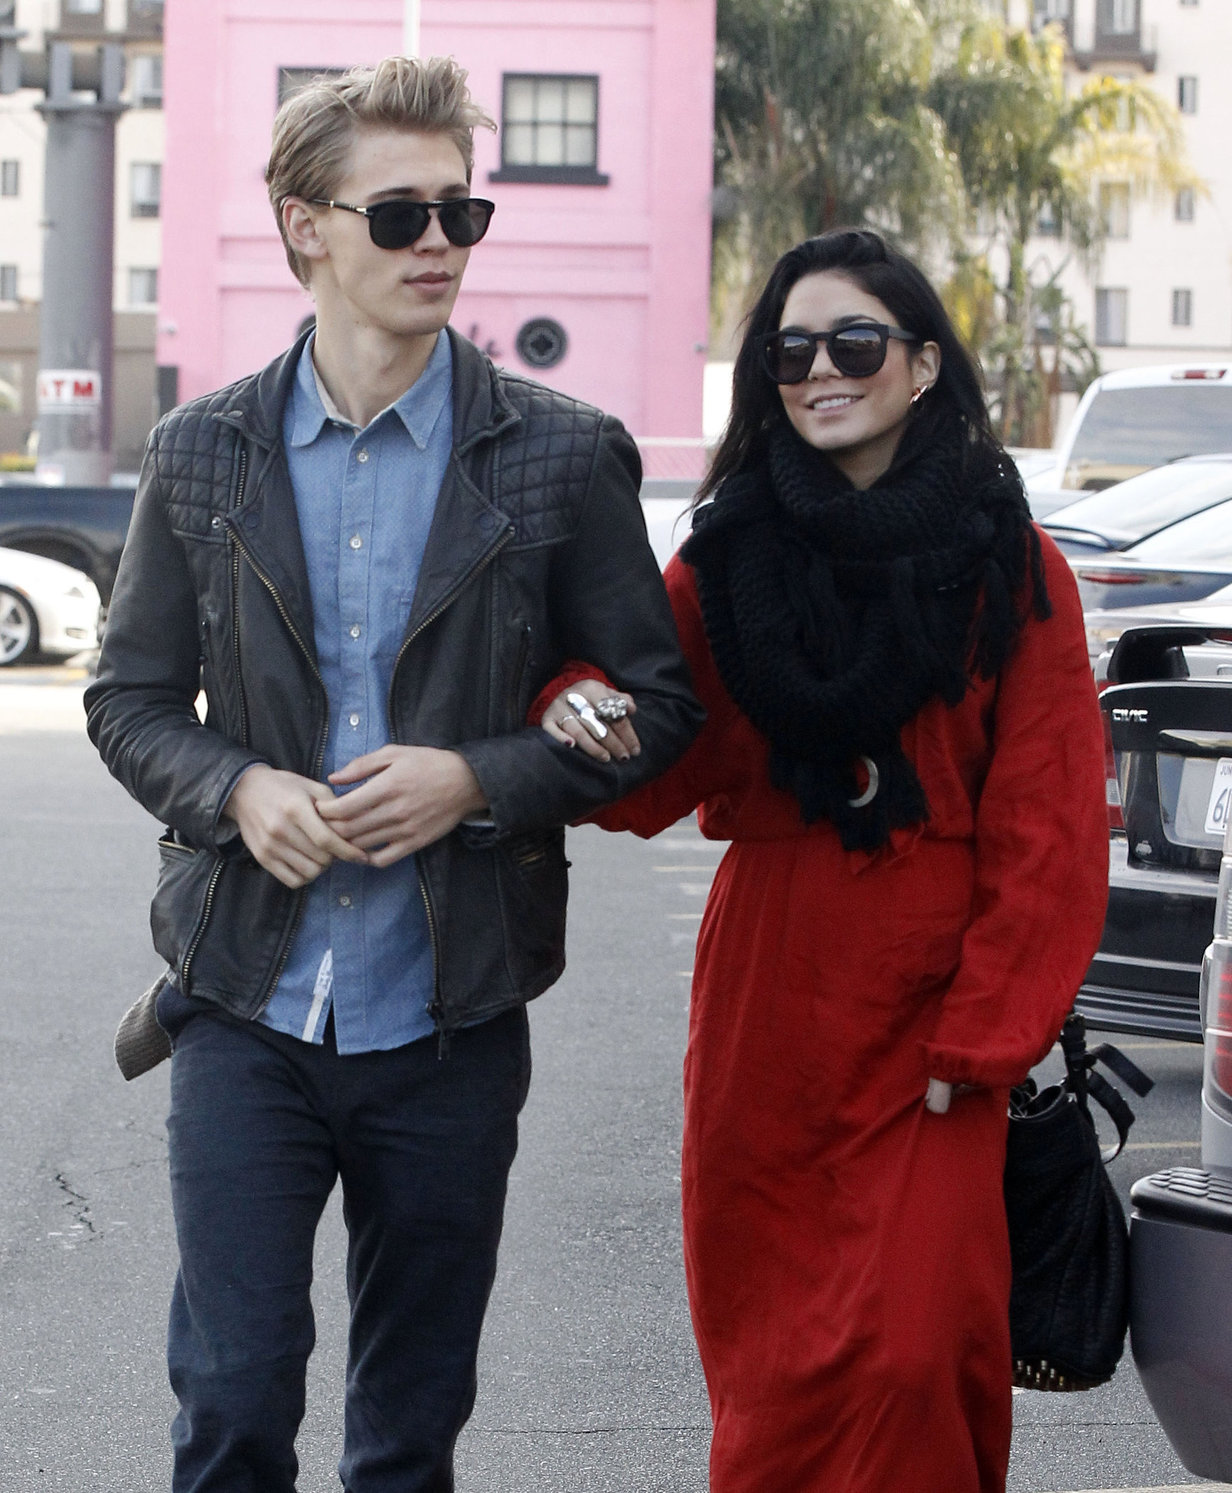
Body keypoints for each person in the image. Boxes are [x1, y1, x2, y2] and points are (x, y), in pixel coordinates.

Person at [85, 56, 701, 1493]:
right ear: (306, 229)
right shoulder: (201, 454)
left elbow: (657, 705)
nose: (438, 244)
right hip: (242, 997)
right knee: (233, 1402)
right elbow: (125, 703)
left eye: (461, 215)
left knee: (407, 1431)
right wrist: (237, 788)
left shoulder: (558, 457)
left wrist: (478, 778)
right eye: (402, 214)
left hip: (450, 1007)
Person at [535, 229, 1109, 1493]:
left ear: (918, 366)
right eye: (789, 350)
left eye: (853, 342)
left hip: (934, 1018)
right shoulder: (725, 559)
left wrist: (987, 1034)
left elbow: (1052, 825)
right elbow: (654, 748)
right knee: (776, 1359)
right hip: (770, 998)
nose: (818, 371)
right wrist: (576, 708)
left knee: (913, 1354)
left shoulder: (1011, 564)